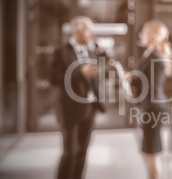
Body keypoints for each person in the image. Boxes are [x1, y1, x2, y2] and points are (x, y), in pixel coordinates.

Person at [50, 16, 105, 179]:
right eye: (88, 29)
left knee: (82, 152)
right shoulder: (61, 52)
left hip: (88, 108)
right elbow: (54, 78)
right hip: (69, 109)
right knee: (70, 152)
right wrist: (79, 73)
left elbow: (93, 79)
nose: (91, 33)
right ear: (76, 30)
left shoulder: (91, 52)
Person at [132, 20, 172, 179]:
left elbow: (151, 87)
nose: (140, 35)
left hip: (152, 108)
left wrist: (130, 80)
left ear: (151, 36)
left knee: (152, 152)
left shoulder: (155, 56)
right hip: (150, 106)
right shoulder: (150, 54)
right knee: (149, 151)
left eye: (144, 31)